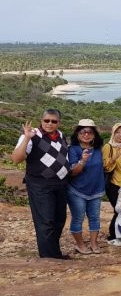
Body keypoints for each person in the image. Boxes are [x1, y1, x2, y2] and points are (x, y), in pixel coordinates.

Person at [11, 109, 71, 259]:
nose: (49, 124)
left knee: (59, 220)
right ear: (42, 120)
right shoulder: (32, 135)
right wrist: (26, 138)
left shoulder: (61, 136)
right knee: (46, 220)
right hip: (40, 185)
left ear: (59, 123)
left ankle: (55, 254)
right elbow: (16, 159)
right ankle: (48, 257)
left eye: (54, 121)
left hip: (60, 184)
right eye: (46, 120)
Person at [66, 119, 105, 254]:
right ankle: (80, 244)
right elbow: (72, 172)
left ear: (94, 134)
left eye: (90, 132)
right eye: (83, 132)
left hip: (96, 190)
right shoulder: (73, 150)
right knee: (78, 218)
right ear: (77, 134)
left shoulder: (99, 150)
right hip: (77, 190)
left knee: (94, 217)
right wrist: (82, 160)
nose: (86, 135)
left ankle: (94, 243)